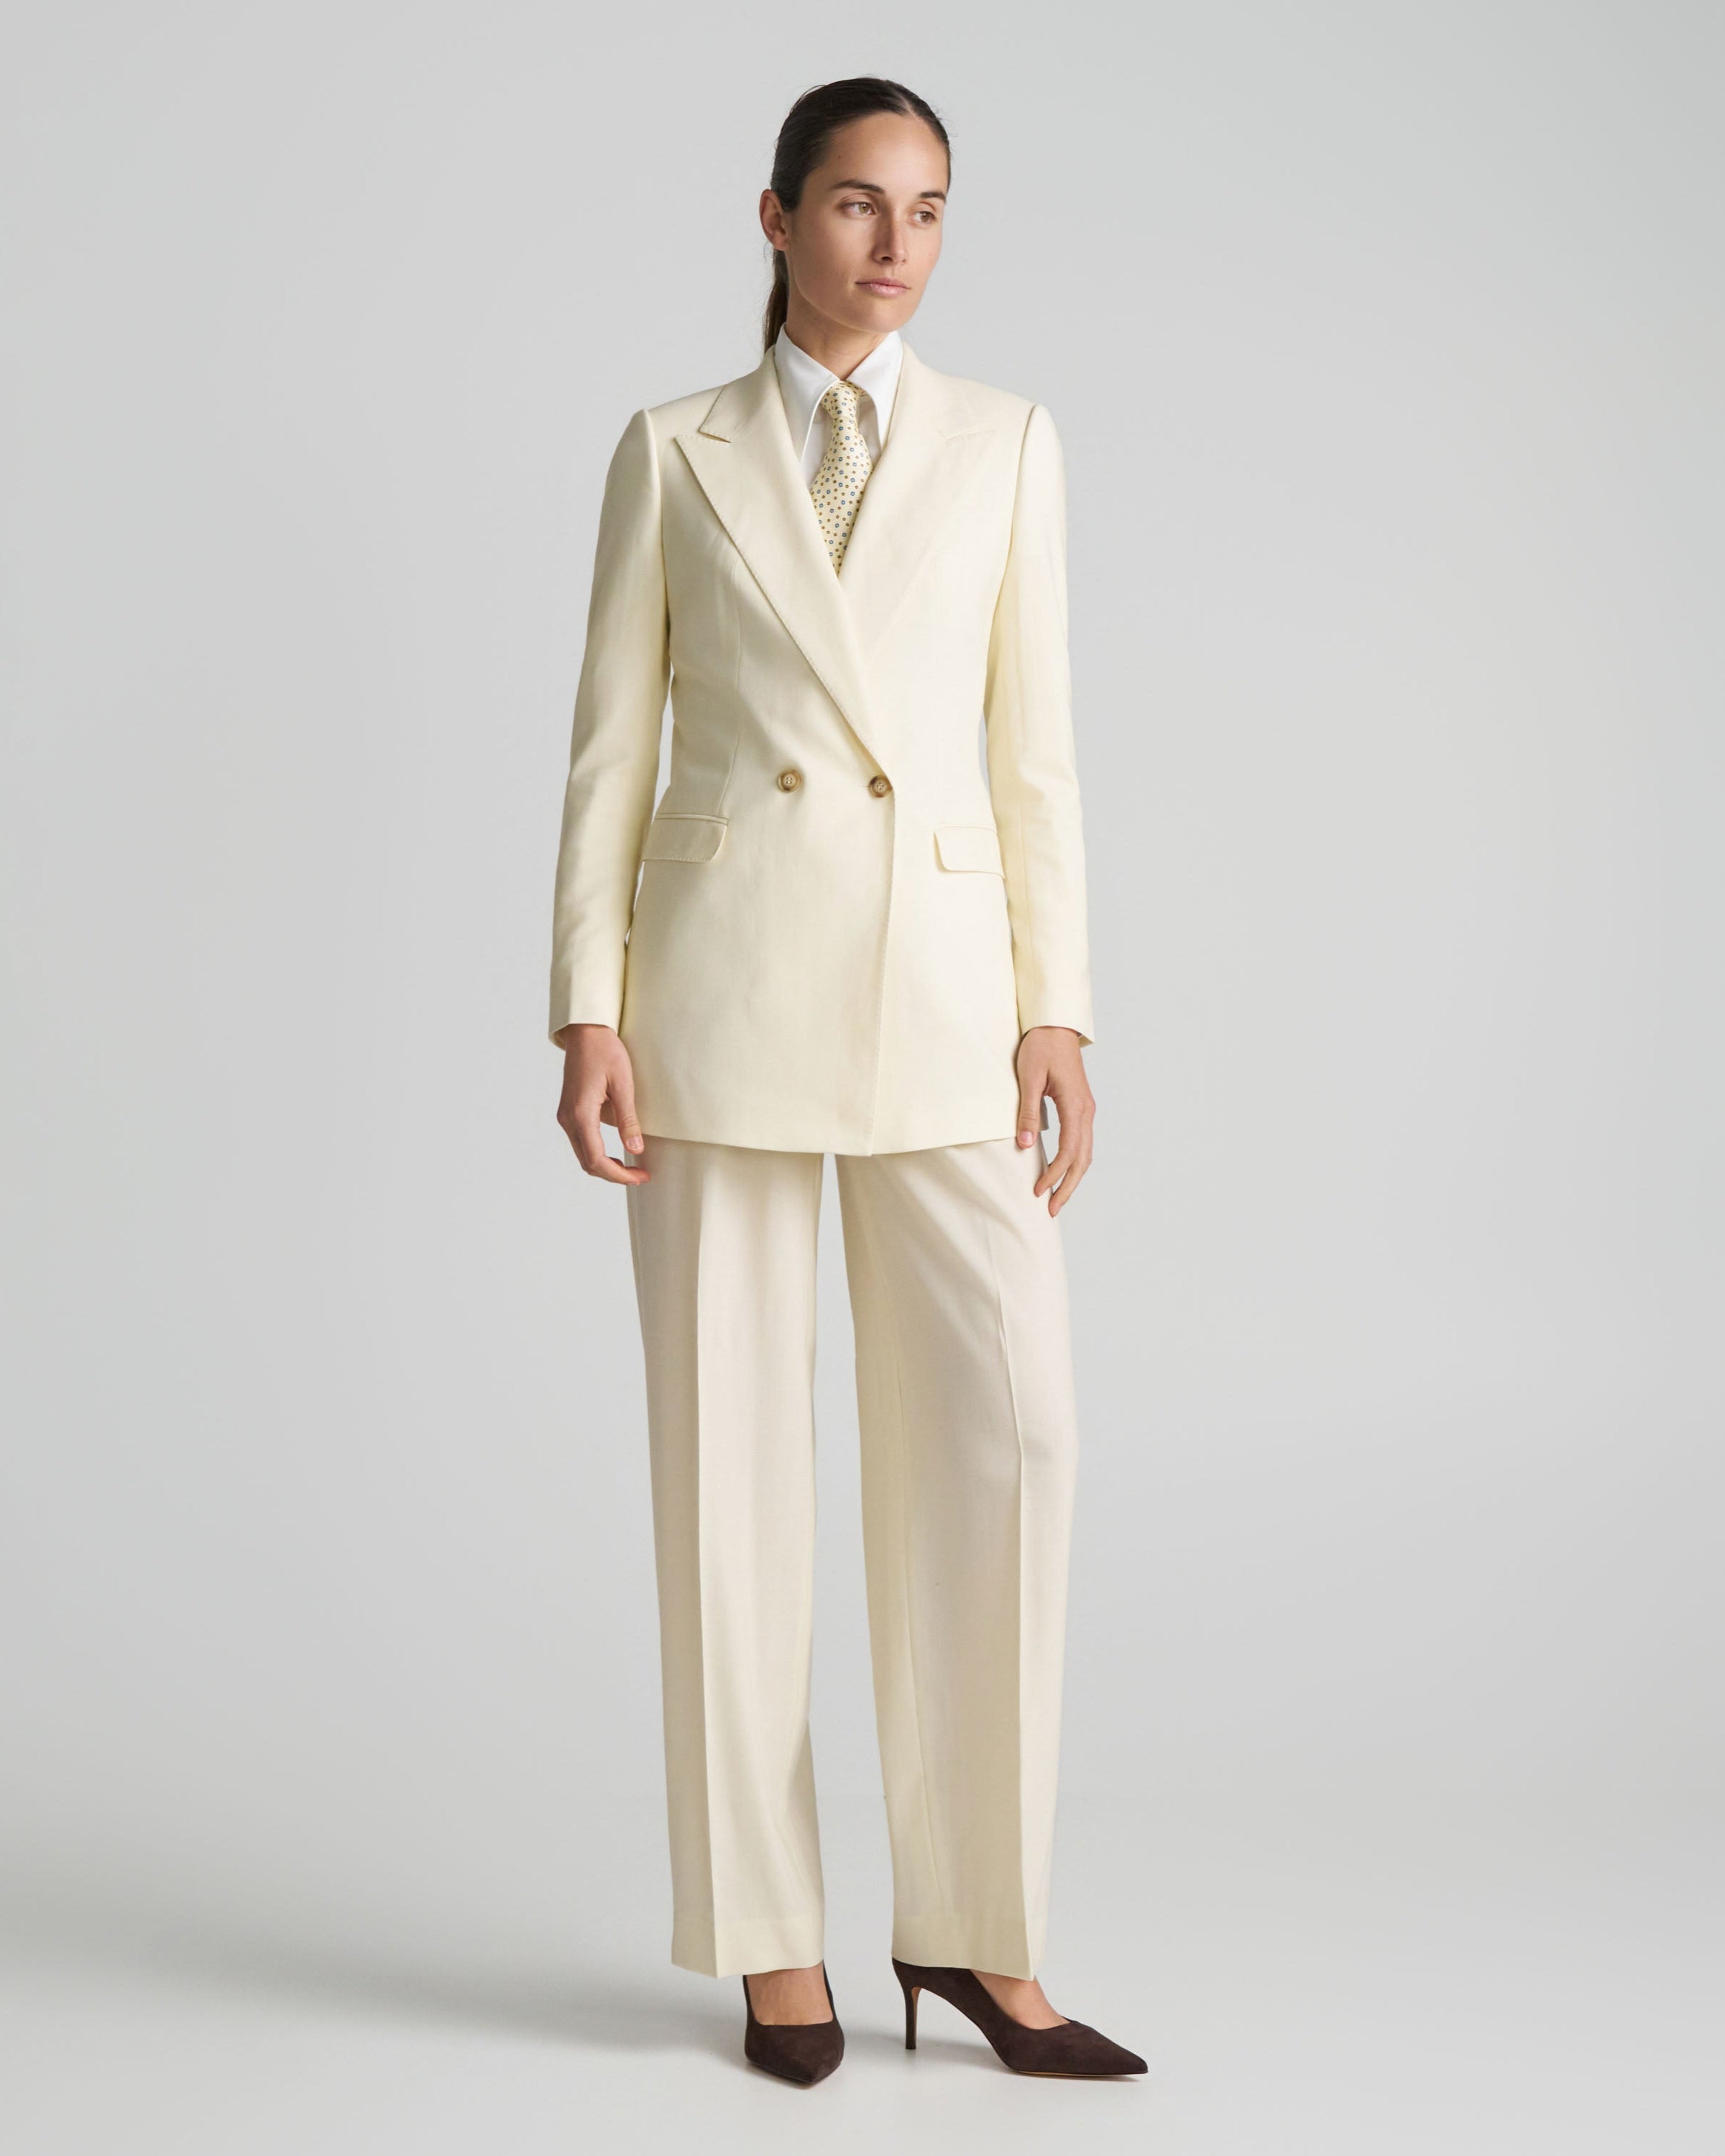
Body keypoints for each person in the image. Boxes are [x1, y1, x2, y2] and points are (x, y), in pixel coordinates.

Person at [548, 75, 1144, 2086]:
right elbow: (611, 748)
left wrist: (1059, 1006)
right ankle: (769, 1938)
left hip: (948, 997)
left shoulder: (1007, 441)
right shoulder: (673, 449)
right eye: (861, 204)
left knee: (1014, 1437)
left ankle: (977, 1934)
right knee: (729, 1471)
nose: (899, 244)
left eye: (932, 208)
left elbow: (1035, 748)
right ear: (780, 216)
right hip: (719, 992)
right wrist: (586, 1003)